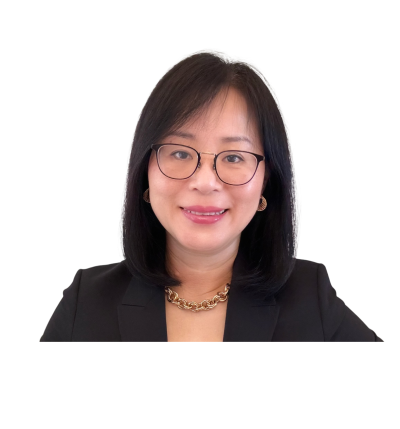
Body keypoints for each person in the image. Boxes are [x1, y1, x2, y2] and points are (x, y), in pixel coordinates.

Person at [39, 48, 384, 342]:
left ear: (266, 181)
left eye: (233, 158)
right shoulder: (86, 303)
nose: (205, 182)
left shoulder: (312, 299)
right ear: (145, 171)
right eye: (179, 152)